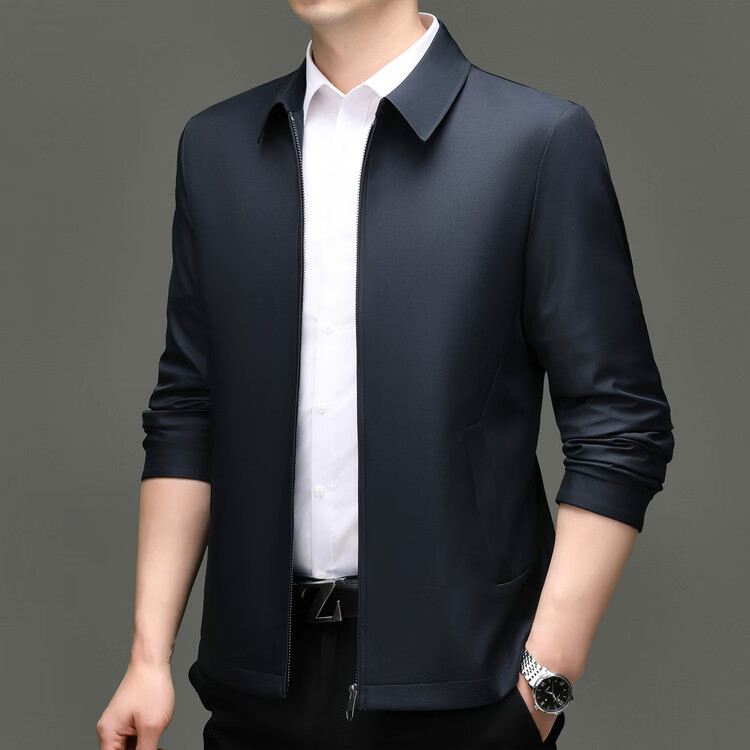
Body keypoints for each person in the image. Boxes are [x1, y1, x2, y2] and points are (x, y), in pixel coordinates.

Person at [97, 2, 675, 748]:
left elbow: (621, 427)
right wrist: (148, 658)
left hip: (468, 696)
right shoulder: (217, 147)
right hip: (255, 695)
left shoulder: (536, 141)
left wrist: (543, 686)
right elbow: (188, 408)